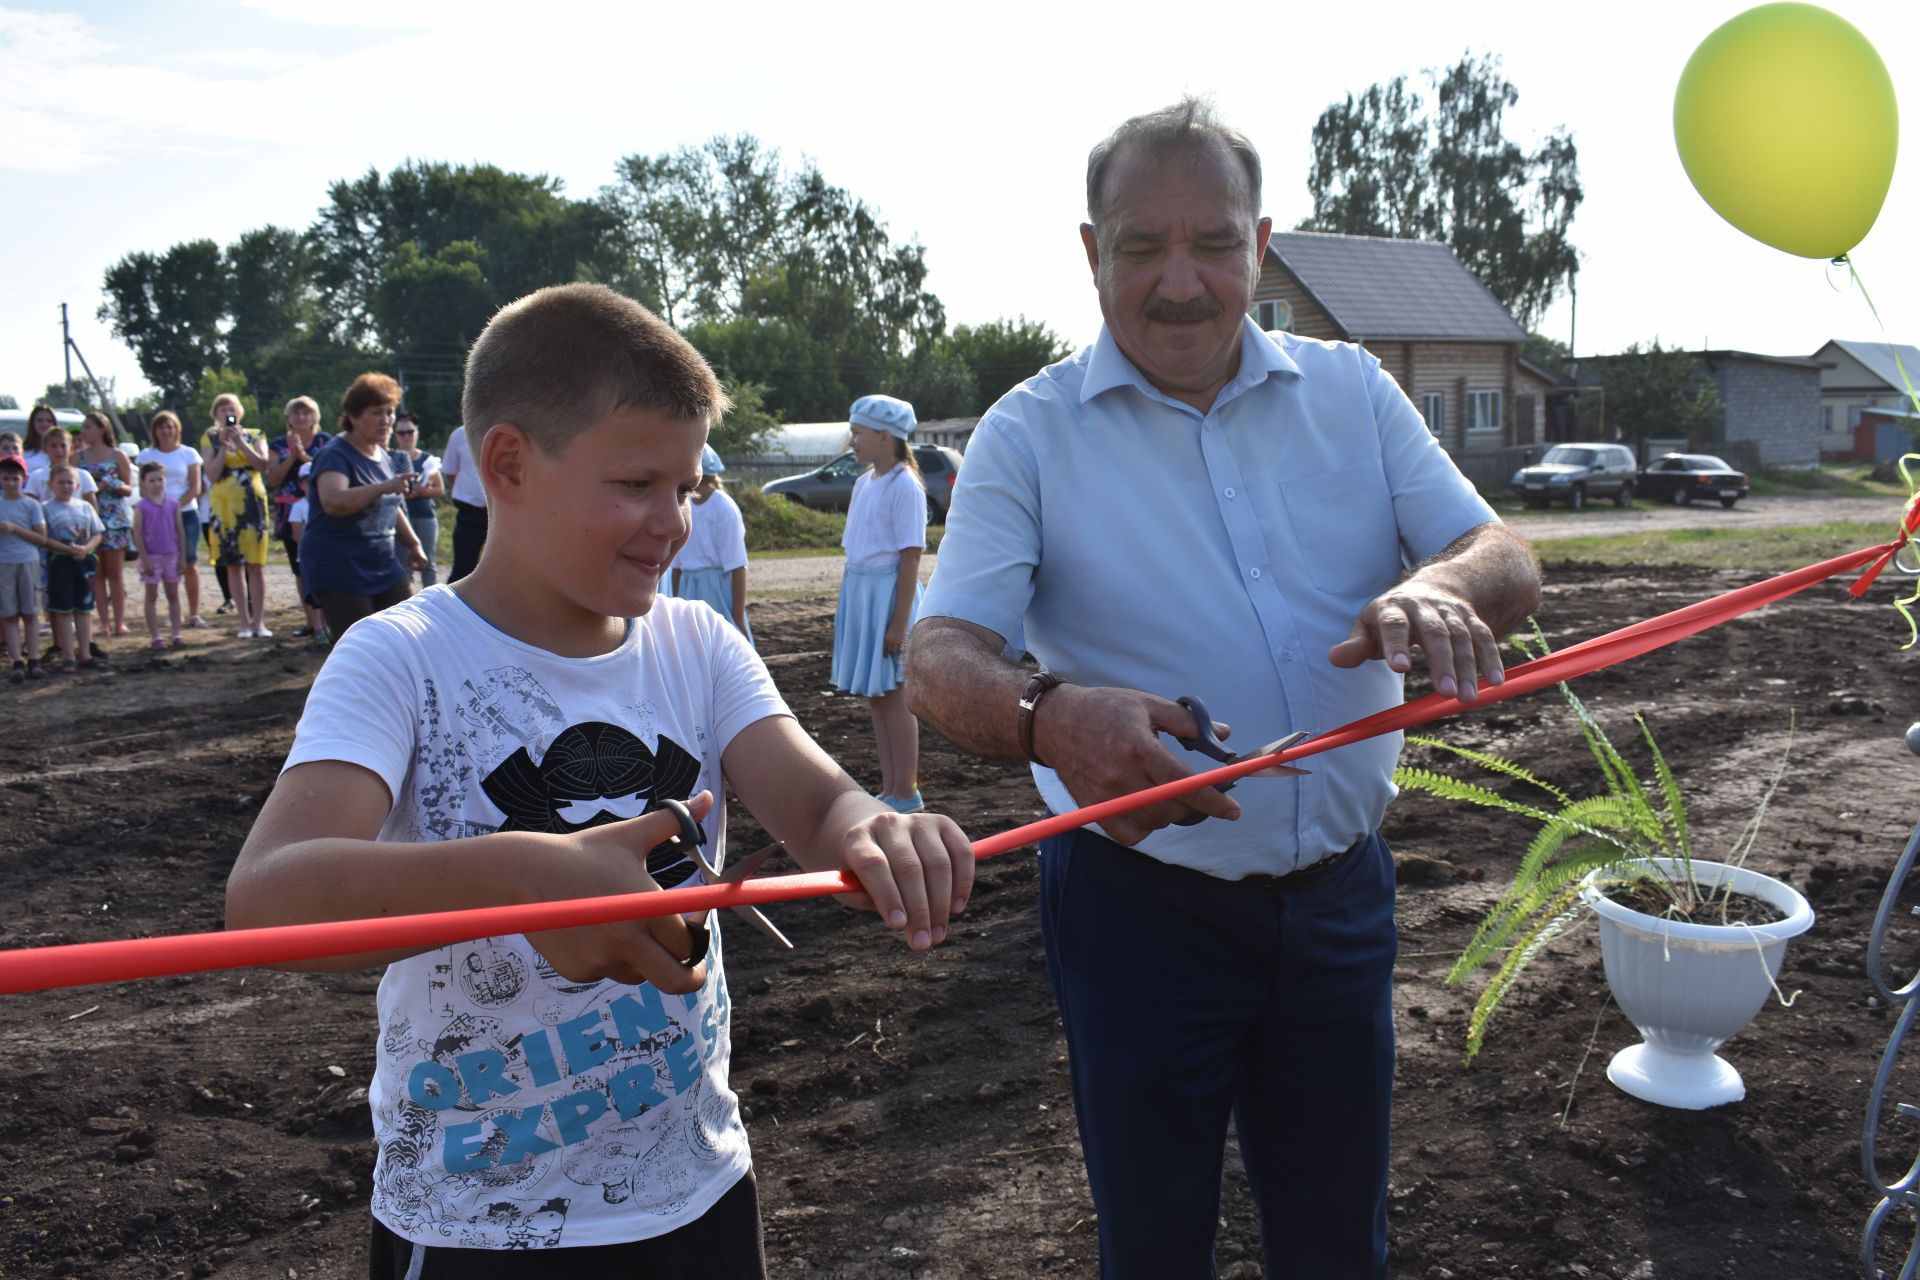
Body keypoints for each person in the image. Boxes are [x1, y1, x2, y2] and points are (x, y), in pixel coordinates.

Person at [905, 99, 1542, 1279]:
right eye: (1142, 247)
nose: (1181, 282)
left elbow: (1500, 548)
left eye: (1214, 244)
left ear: (1261, 247)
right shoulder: (1027, 434)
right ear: (1092, 254)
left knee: (1338, 1239)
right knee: (1152, 1243)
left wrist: (1450, 587)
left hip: (1341, 901)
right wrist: (1050, 712)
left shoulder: (1353, 390)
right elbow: (938, 653)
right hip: (1139, 908)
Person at [225, 282, 974, 1275]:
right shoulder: (400, 657)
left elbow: (815, 798)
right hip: (475, 1222)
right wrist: (526, 874)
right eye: (635, 484)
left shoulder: (698, 644)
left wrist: (874, 824)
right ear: (508, 464)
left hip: (697, 1191)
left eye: (691, 486)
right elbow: (266, 900)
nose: (674, 522)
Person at [830, 395, 927, 814]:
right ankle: (890, 787)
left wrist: (898, 623)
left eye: (858, 433)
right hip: (862, 592)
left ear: (885, 436)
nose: (852, 441)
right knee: (877, 695)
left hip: (889, 597)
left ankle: (906, 789)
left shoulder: (905, 485)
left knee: (896, 696)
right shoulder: (863, 482)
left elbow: (911, 556)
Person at [295, 373, 429, 639]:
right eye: (377, 413)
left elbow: (391, 505)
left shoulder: (382, 455)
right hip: (339, 566)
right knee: (362, 645)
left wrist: (413, 544)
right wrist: (382, 487)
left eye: (389, 412)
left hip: (382, 563)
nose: (386, 420)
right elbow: (333, 501)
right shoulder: (335, 453)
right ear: (354, 417)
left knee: (405, 633)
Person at [200, 394, 274, 638]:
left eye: (230, 408)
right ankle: (243, 622)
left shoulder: (256, 434)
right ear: (215, 414)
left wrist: (241, 442)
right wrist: (223, 446)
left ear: (239, 412)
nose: (226, 412)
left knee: (256, 566)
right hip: (224, 509)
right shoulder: (210, 438)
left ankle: (259, 622)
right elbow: (210, 474)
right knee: (233, 566)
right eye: (221, 409)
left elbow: (263, 465)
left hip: (252, 506)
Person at [671, 444, 752, 642]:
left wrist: (738, 617)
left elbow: (738, 566)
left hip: (716, 589)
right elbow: (677, 567)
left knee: (721, 644)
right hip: (688, 587)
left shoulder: (723, 508)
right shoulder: (679, 505)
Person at [135, 411, 206, 629]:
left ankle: (194, 613)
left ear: (177, 429)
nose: (166, 431)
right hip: (155, 515)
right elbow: (142, 487)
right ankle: (171, 614)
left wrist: (173, 507)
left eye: (170, 426)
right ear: (155, 430)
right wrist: (160, 507)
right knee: (161, 564)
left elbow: (195, 486)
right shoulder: (146, 455)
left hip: (185, 512)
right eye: (161, 427)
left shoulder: (188, 453)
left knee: (188, 563)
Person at [265, 395, 329, 634]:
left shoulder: (325, 441)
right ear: (288, 418)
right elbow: (273, 479)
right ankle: (311, 623)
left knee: (325, 564)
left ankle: (328, 620)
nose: (301, 417)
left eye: (306, 412)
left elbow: (330, 468)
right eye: (296, 413)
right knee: (299, 567)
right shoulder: (278, 444)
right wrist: (292, 455)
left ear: (315, 416)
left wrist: (304, 457)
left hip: (321, 509)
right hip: (288, 510)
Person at [38, 464, 105, 671]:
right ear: (51, 485)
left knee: (83, 609)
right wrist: (66, 549)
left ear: (77, 485)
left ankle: (85, 654)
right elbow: (44, 538)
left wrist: (86, 548)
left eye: (70, 482)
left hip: (83, 561)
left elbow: (98, 533)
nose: (65, 486)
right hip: (59, 563)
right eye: (61, 482)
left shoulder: (85, 507)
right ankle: (68, 656)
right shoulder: (45, 508)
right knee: (63, 610)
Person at [77, 412, 134, 638]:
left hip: (115, 519)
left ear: (102, 429)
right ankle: (104, 623)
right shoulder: (78, 458)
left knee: (115, 574)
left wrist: (115, 484)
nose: (84, 432)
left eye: (88, 427)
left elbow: (129, 488)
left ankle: (120, 622)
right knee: (97, 574)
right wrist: (95, 489)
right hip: (90, 519)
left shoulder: (117, 455)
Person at [0, 455, 45, 682]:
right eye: (5, 478)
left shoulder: (31, 504)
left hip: (28, 560)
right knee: (9, 613)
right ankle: (17, 661)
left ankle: (34, 659)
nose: (9, 483)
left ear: (23, 479)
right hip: (4, 563)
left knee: (30, 612)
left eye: (14, 478)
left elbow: (41, 537)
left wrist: (15, 529)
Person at [133, 462, 187, 650]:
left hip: (171, 554)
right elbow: (137, 534)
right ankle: (155, 636)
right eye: (152, 480)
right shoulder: (141, 507)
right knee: (152, 596)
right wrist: (145, 559)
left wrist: (182, 557)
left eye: (160, 479)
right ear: (144, 482)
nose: (156, 483)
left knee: (173, 595)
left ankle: (176, 633)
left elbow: (180, 531)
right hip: (152, 557)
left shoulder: (173, 504)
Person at [389, 410, 445, 587]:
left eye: (410, 432)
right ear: (395, 435)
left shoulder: (427, 459)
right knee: (403, 564)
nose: (406, 436)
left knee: (428, 562)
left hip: (425, 515)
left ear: (417, 433)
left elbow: (439, 489)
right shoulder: (390, 458)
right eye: (401, 433)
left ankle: (432, 604)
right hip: (400, 518)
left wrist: (421, 491)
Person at [437, 421, 488, 581]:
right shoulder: (460, 434)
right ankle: (451, 605)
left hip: (508, 512)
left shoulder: (514, 427)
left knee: (510, 566)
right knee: (464, 566)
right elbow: (451, 472)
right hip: (471, 511)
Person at [284, 462, 328, 646]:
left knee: (328, 594)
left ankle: (328, 627)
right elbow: (296, 534)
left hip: (329, 558)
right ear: (301, 484)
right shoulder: (299, 507)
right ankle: (317, 628)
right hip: (309, 558)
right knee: (313, 595)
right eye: (307, 481)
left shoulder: (328, 504)